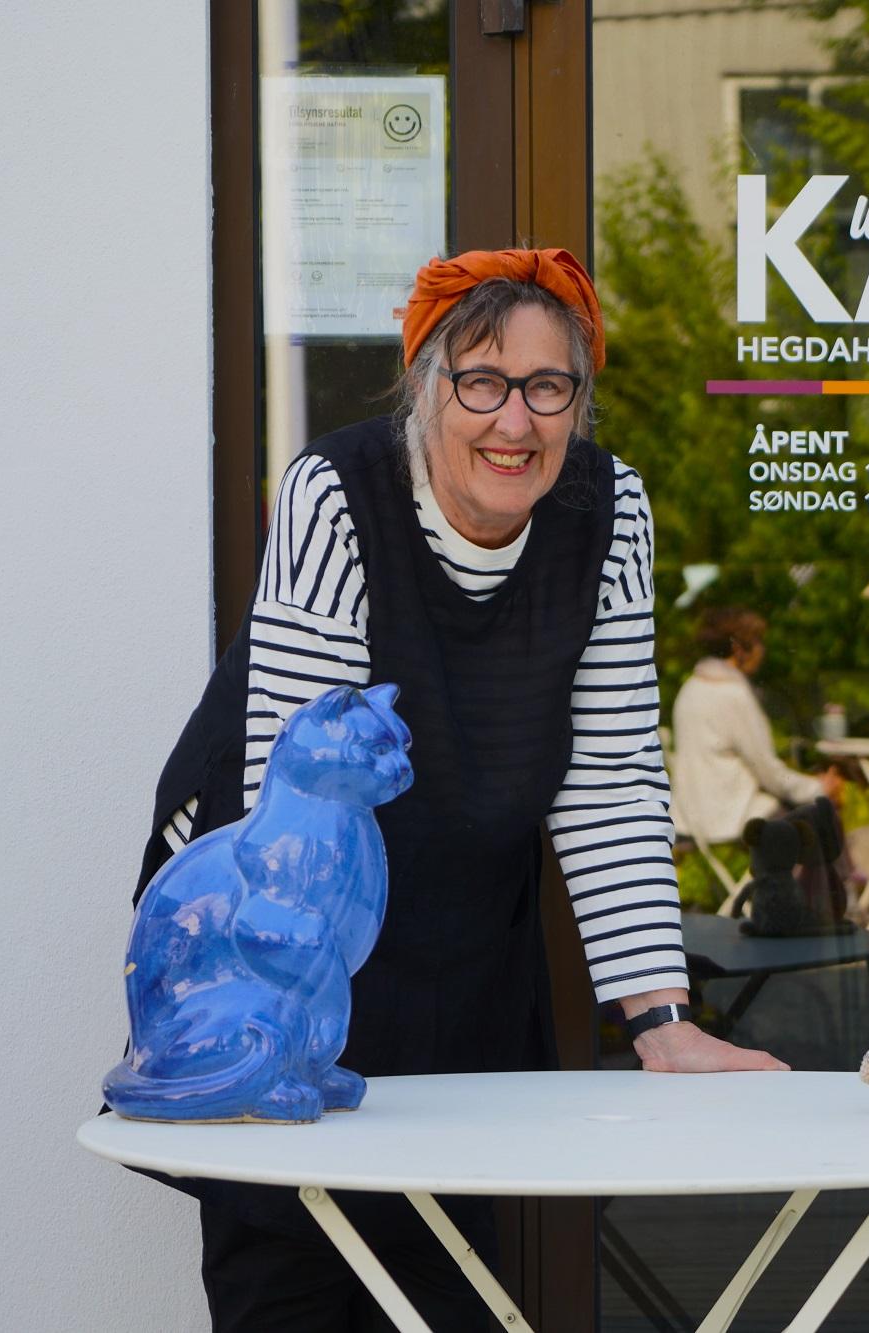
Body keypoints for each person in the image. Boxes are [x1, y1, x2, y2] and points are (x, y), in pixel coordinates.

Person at [132, 248, 783, 1330]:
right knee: (288, 1260)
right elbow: (298, 786)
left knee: (444, 1268)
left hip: (464, 921)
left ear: (579, 401)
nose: (513, 421)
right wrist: (278, 1036)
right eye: (481, 381)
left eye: (547, 386)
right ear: (424, 389)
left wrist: (661, 1020)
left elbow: (611, 777)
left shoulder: (609, 509)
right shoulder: (337, 492)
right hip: (270, 917)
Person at [669, 606, 844, 846]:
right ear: (738, 648)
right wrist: (819, 788)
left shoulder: (691, 688)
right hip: (731, 817)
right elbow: (769, 772)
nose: (762, 650)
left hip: (691, 818)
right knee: (823, 817)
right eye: (758, 641)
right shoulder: (732, 694)